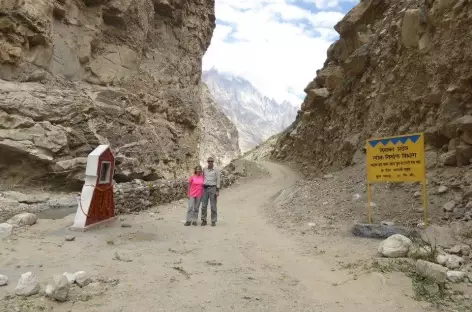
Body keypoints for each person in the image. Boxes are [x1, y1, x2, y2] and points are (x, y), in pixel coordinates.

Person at [201, 156, 220, 226]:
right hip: (205, 188)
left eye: (211, 161)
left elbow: (218, 180)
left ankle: (213, 221)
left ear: (213, 162)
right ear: (207, 162)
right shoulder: (204, 169)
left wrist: (217, 191)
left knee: (213, 206)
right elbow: (202, 178)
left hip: (213, 188)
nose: (210, 162)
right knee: (203, 205)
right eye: (209, 161)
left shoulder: (216, 169)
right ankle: (203, 220)